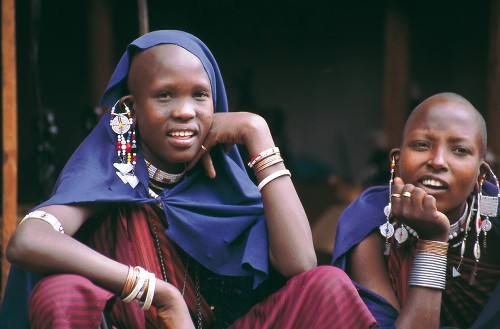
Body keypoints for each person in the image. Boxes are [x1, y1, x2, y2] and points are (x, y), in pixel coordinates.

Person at [0, 30, 376, 329]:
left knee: (328, 284)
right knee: (60, 293)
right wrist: (157, 293)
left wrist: (255, 130)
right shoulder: (106, 176)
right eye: (164, 95)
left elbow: (300, 264)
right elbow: (28, 240)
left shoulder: (222, 188)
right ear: (131, 108)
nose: (184, 111)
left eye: (200, 95)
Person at [332, 92, 500, 328]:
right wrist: (433, 242)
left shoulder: (494, 222)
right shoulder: (370, 222)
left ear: (481, 173)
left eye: (460, 150)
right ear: (396, 161)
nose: (438, 161)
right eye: (422, 145)